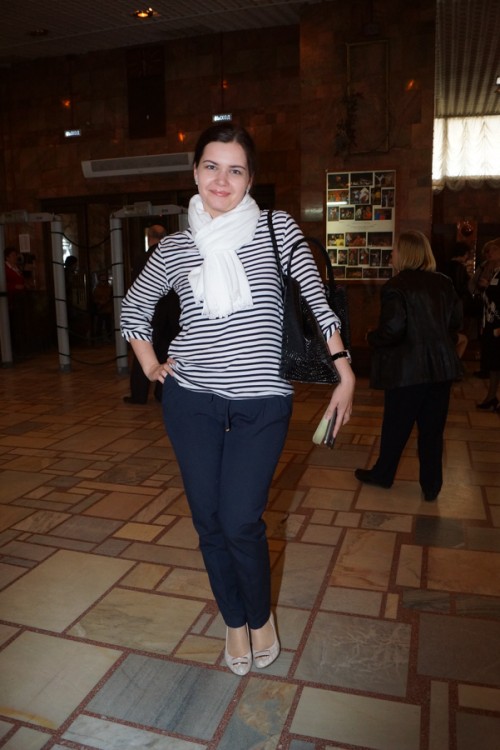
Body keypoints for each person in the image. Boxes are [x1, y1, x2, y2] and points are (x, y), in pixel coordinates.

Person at [120, 123, 355, 675]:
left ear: (250, 179)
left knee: (241, 520)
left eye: (235, 169)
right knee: (208, 521)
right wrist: (152, 365)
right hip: (191, 401)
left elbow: (316, 300)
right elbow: (134, 310)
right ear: (194, 172)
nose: (221, 180)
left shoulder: (277, 229)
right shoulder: (176, 247)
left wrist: (344, 370)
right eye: (211, 166)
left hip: (260, 402)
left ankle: (260, 615)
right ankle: (233, 619)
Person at [354, 230, 463, 502]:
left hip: (406, 370)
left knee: (396, 427)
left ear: (405, 253)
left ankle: (383, 474)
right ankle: (431, 485)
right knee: (432, 430)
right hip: (440, 369)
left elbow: (393, 329)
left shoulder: (397, 286)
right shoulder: (444, 283)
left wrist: (371, 337)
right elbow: (455, 323)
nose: (391, 254)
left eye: (394, 249)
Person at [123, 224, 181, 404]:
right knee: (169, 354)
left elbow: (137, 294)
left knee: (144, 353)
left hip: (153, 317)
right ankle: (162, 393)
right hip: (174, 316)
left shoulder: (144, 258)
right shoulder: (176, 254)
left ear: (149, 237)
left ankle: (139, 395)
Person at [476, 239, 500, 411]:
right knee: (493, 362)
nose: (488, 254)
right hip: (490, 323)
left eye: (492, 250)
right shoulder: (494, 272)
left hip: (498, 325)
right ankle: (491, 396)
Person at [468, 240, 498, 378]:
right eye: (487, 251)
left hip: (495, 312)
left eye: (492, 250)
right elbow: (474, 282)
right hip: (486, 309)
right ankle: (486, 368)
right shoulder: (485, 265)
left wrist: (488, 286)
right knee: (486, 339)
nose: (489, 254)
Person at [443, 241, 472, 359]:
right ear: (464, 253)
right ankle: (454, 361)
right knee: (457, 331)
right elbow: (460, 287)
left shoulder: (443, 265)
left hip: (443, 302)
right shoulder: (459, 267)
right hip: (456, 302)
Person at [91, 272, 114, 342]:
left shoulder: (109, 288)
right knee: (99, 325)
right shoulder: (96, 289)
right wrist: (100, 302)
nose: (103, 282)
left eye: (104, 280)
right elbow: (94, 298)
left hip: (108, 309)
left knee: (108, 325)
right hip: (100, 309)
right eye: (102, 280)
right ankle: (99, 339)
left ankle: (109, 338)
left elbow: (111, 297)